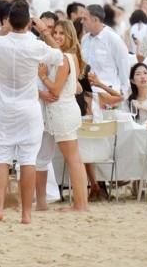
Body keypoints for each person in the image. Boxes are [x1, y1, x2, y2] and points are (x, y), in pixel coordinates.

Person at [0, 0, 64, 224]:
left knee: (1, 159)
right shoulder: (36, 45)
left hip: (5, 109)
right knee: (28, 161)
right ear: (29, 22)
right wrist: (45, 31)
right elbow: (60, 56)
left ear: (7, 20)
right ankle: (26, 213)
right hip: (29, 109)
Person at [35, 19, 87, 212]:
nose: (57, 36)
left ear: (69, 36)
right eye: (54, 32)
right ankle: (82, 203)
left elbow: (55, 90)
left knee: (73, 159)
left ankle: (80, 204)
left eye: (61, 33)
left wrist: (43, 76)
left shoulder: (64, 58)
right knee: (75, 159)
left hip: (62, 111)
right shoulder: (71, 56)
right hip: (67, 108)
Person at [81, 4, 130, 97]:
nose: (81, 21)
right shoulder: (85, 39)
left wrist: (123, 94)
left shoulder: (113, 39)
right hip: (88, 94)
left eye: (85, 19)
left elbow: (124, 67)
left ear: (95, 20)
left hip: (108, 93)